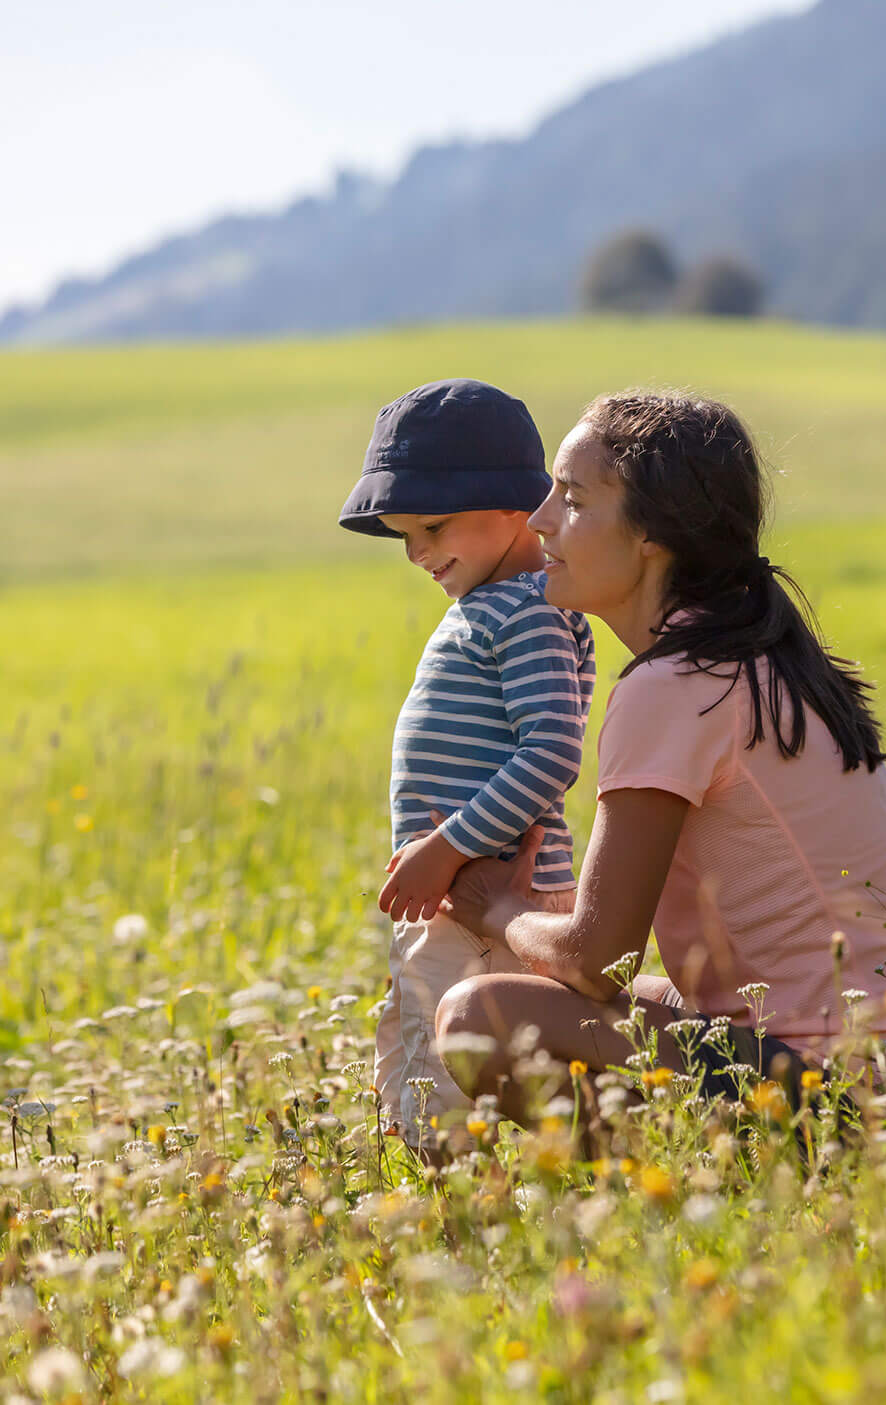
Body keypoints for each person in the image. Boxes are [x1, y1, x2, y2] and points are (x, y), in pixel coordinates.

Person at [429, 390, 886, 1124]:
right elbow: (614, 976)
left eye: (574, 500)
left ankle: (692, 1198)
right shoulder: (752, 656)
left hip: (841, 1092)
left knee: (476, 1018)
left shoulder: (672, 686)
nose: (541, 519)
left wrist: (501, 908)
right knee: (636, 1000)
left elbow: (595, 957)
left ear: (653, 533)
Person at [336, 378, 597, 1150]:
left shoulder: (526, 610)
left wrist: (445, 850)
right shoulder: (494, 606)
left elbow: (550, 750)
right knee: (428, 1060)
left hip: (487, 898)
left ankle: (475, 1232)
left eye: (433, 526)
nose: (417, 552)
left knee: (453, 1075)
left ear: (514, 503)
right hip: (465, 899)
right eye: (404, 534)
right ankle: (475, 1221)